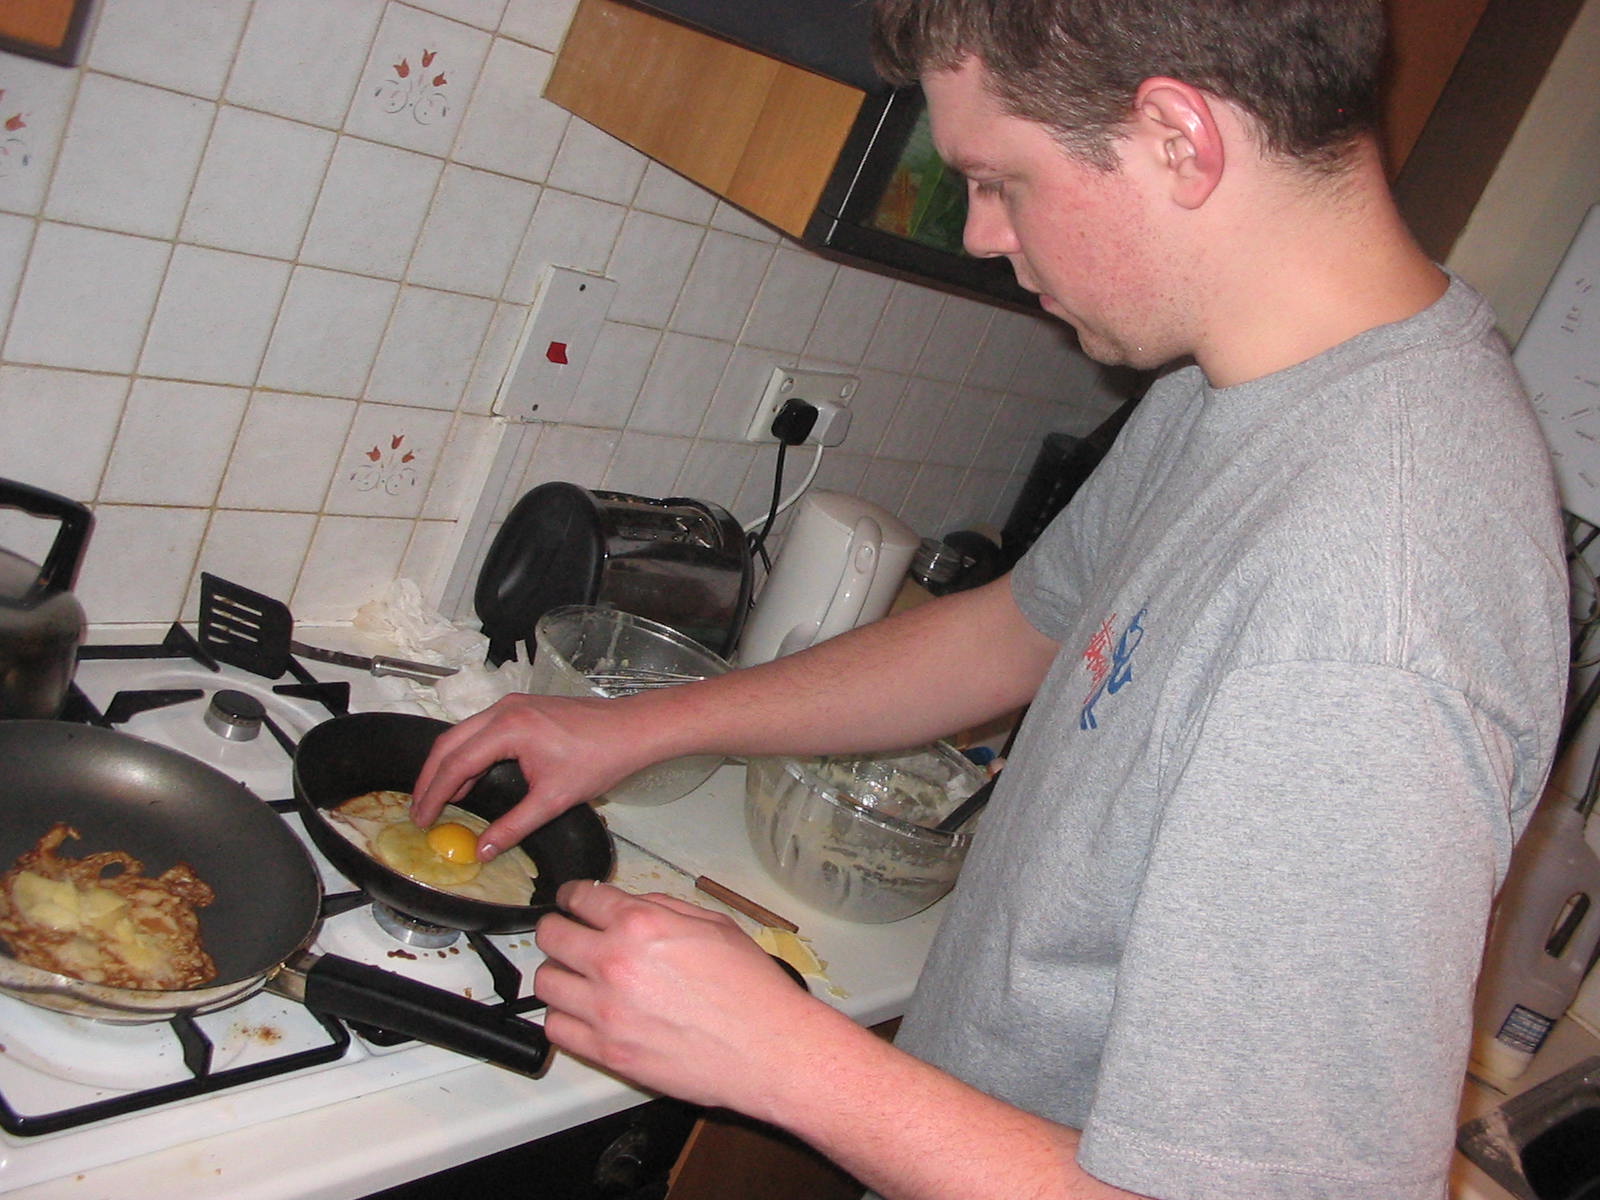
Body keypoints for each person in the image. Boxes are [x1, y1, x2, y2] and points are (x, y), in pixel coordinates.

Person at [412, 1, 1571, 1195]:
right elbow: (1016, 628)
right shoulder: (1244, 388)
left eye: (1000, 181)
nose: (977, 233)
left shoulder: (1368, 619)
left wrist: (780, 1057)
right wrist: (645, 724)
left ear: (1177, 139)